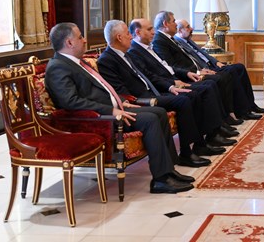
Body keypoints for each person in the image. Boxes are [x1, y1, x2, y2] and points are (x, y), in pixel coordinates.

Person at [44, 23, 194, 194]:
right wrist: (111, 110)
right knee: (151, 119)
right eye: (80, 37)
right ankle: (160, 180)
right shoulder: (58, 66)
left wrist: (121, 101)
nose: (84, 40)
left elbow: (102, 88)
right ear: (69, 42)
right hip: (99, 119)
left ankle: (169, 171)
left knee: (159, 112)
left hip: (114, 109)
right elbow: (71, 102)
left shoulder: (77, 62)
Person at [97, 20, 231, 168]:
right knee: (184, 100)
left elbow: (148, 75)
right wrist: (139, 101)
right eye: (128, 33)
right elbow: (120, 91)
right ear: (119, 37)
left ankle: (200, 144)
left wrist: (170, 87)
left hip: (153, 92)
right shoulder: (107, 60)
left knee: (192, 94)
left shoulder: (125, 55)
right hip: (141, 99)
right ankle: (186, 153)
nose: (130, 36)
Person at [151, 11, 261, 121]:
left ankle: (248, 107)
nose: (175, 24)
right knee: (223, 77)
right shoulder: (160, 41)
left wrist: (213, 63)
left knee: (238, 68)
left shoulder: (172, 39)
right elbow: (171, 65)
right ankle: (231, 115)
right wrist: (198, 71)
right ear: (165, 24)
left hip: (200, 69)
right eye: (173, 21)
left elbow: (200, 54)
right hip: (188, 74)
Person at [174, 19, 264, 114]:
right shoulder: (178, 42)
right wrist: (200, 70)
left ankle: (251, 105)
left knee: (240, 67)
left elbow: (203, 53)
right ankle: (243, 111)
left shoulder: (188, 40)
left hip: (212, 65)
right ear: (180, 30)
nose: (191, 28)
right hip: (205, 69)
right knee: (232, 72)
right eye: (188, 27)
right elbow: (189, 62)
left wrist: (216, 62)